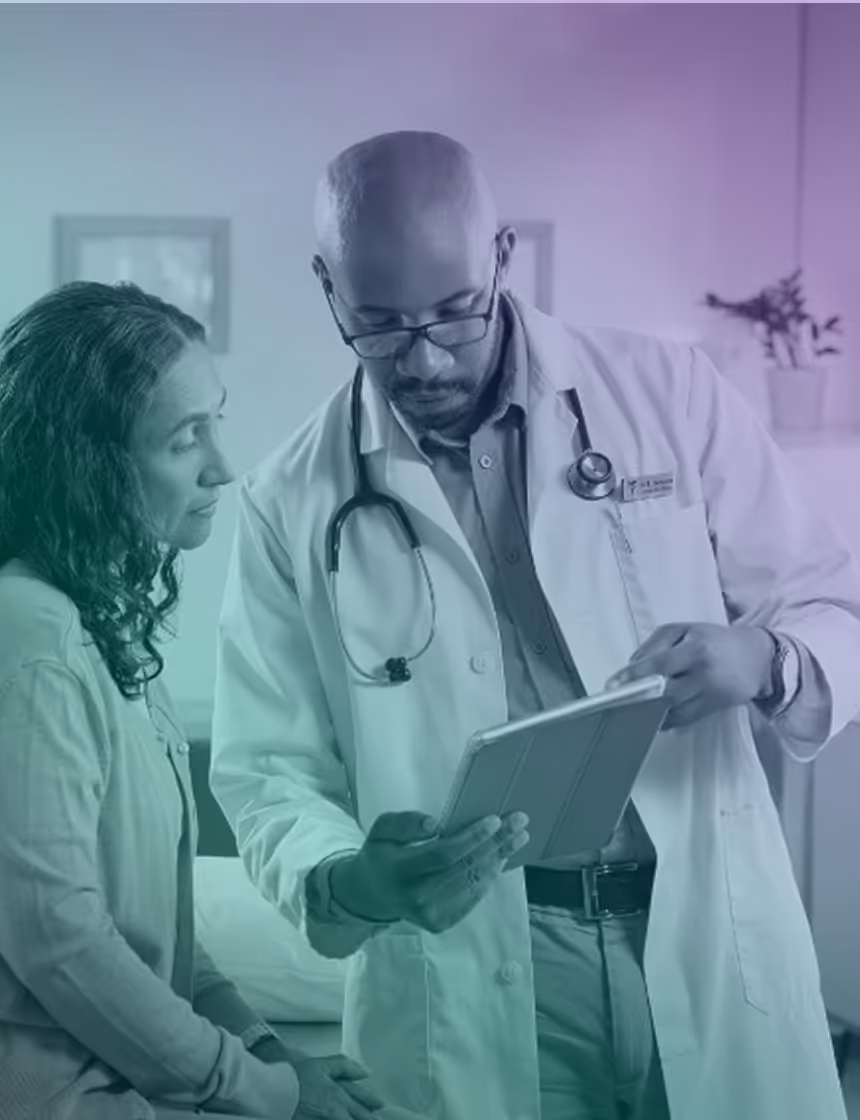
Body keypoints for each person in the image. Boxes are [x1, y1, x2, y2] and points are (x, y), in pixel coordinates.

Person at [209, 130, 860, 1120]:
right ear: (325, 287)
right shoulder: (287, 499)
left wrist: (762, 654)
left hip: (692, 930)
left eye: (453, 314)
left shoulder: (665, 396)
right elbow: (264, 769)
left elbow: (834, 600)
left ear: (500, 257)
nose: (422, 357)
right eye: (380, 324)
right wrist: (348, 876)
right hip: (472, 968)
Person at [0, 282, 386, 1120]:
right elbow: (63, 943)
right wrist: (269, 1096)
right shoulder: (25, 633)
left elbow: (158, 934)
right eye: (186, 439)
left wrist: (269, 1051)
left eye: (215, 420)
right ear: (90, 464)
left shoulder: (102, 630)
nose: (223, 464)